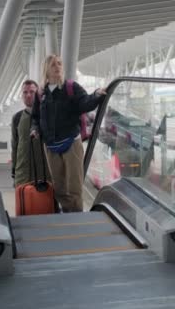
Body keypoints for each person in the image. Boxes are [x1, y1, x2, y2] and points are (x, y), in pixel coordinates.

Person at [31, 55, 106, 212]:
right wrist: (35, 129)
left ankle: (77, 217)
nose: (57, 67)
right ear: (46, 69)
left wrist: (96, 95)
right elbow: (35, 117)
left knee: (74, 186)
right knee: (59, 187)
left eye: (59, 64)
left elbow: (85, 103)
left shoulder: (71, 87)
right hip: (51, 145)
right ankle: (67, 214)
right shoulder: (41, 93)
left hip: (71, 143)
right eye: (53, 65)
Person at [11, 80, 50, 187]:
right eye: (25, 92)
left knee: (45, 203)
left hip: (44, 175)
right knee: (24, 202)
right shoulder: (17, 118)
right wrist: (14, 171)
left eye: (32, 92)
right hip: (23, 175)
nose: (28, 95)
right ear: (21, 95)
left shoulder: (47, 115)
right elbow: (15, 146)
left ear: (38, 94)